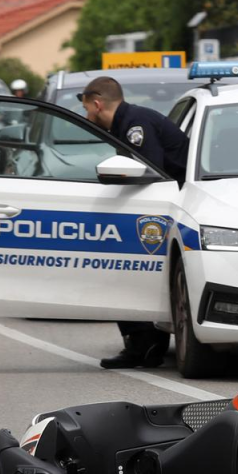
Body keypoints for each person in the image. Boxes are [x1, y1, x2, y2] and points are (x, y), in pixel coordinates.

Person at [78, 76, 189, 368]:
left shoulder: (134, 125)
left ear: (97, 103)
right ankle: (145, 344)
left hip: (176, 209)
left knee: (121, 268)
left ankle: (143, 345)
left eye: (87, 108)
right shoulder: (129, 122)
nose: (86, 115)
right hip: (171, 205)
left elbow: (147, 174)